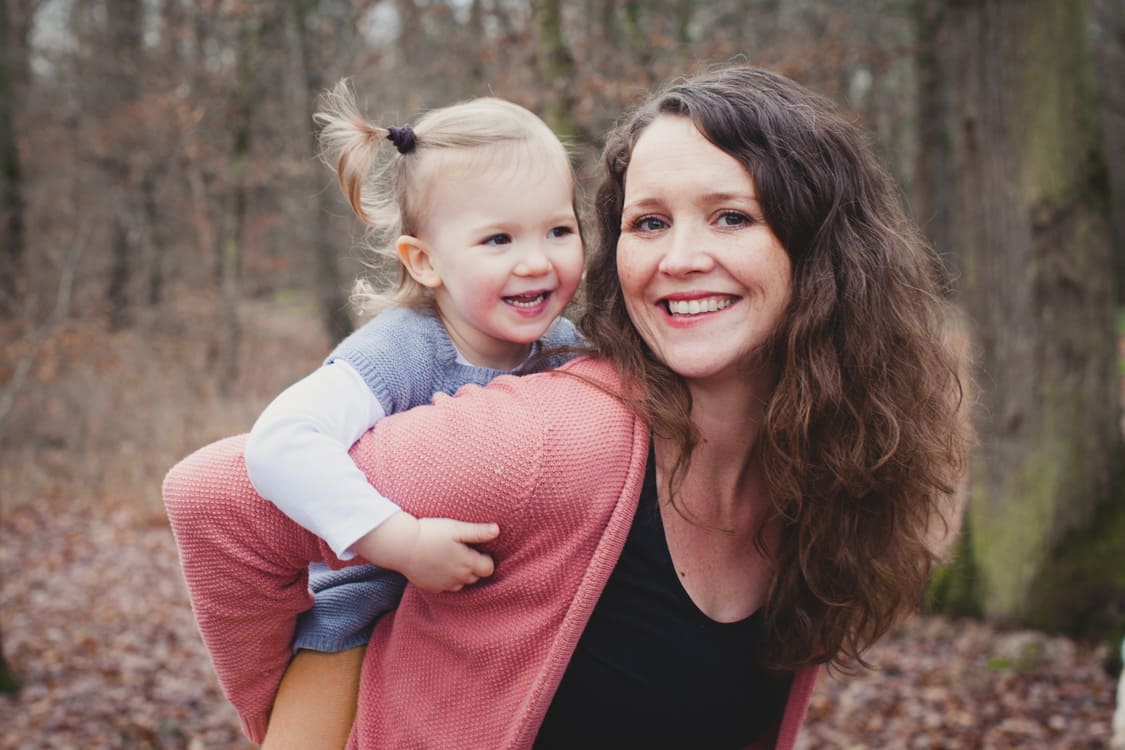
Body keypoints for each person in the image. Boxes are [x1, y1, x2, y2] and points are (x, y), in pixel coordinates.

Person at [163, 65, 967, 750]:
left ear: (823, 249)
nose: (681, 258)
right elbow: (219, 498)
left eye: (730, 216)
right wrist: (311, 712)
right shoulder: (550, 436)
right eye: (648, 222)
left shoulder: (813, 461)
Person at [236, 81, 586, 747]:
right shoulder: (402, 347)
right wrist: (397, 543)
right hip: (361, 616)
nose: (536, 260)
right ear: (424, 261)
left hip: (493, 620)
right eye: (498, 239)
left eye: (559, 230)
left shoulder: (565, 348)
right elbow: (280, 442)